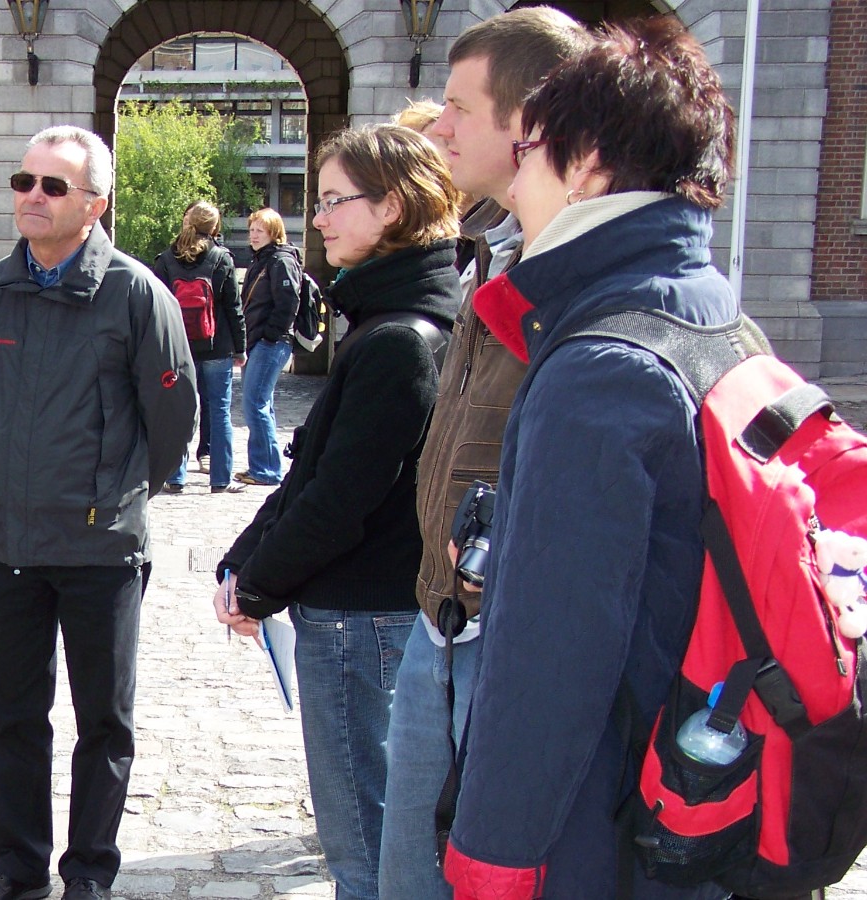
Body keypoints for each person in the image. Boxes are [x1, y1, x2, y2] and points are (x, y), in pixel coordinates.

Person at [442, 18, 737, 899]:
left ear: (590, 163)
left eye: (529, 150)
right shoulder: (710, 306)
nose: (514, 177)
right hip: (693, 783)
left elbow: (550, 658)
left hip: (601, 825)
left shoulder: (600, 367)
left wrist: (492, 857)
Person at [377, 10, 592, 899]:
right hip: (443, 621)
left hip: (498, 641)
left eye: (461, 108)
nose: (441, 129)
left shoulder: (578, 281)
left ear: (532, 122)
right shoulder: (493, 255)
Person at [214, 123, 461, 900]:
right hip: (364, 610)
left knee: (367, 842)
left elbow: (341, 499)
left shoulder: (399, 339)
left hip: (366, 616)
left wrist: (259, 586)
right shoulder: (392, 321)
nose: (317, 218)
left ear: (391, 208)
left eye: (332, 201)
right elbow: (313, 470)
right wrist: (246, 557)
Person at [0, 125, 196, 900]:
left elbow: (170, 424)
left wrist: (114, 496)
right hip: (9, 548)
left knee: (105, 724)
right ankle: (17, 868)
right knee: (14, 722)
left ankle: (89, 871)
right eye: (24, 181)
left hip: (101, 551)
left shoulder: (135, 294)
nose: (32, 196)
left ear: (94, 205)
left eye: (53, 187)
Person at [154, 200, 245, 494]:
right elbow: (233, 307)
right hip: (216, 347)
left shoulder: (166, 259)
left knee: (178, 410)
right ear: (214, 227)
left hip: (178, 348)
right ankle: (220, 478)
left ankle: (176, 476)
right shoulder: (222, 259)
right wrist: (240, 349)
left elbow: (156, 308)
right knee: (219, 411)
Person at [235, 207, 301, 488]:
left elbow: (288, 301)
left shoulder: (279, 261)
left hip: (268, 342)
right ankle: (263, 465)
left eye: (259, 231)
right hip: (260, 341)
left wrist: (270, 336)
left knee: (255, 405)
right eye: (251, 230)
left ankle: (265, 469)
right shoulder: (263, 260)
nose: (253, 235)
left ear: (273, 232)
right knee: (262, 405)